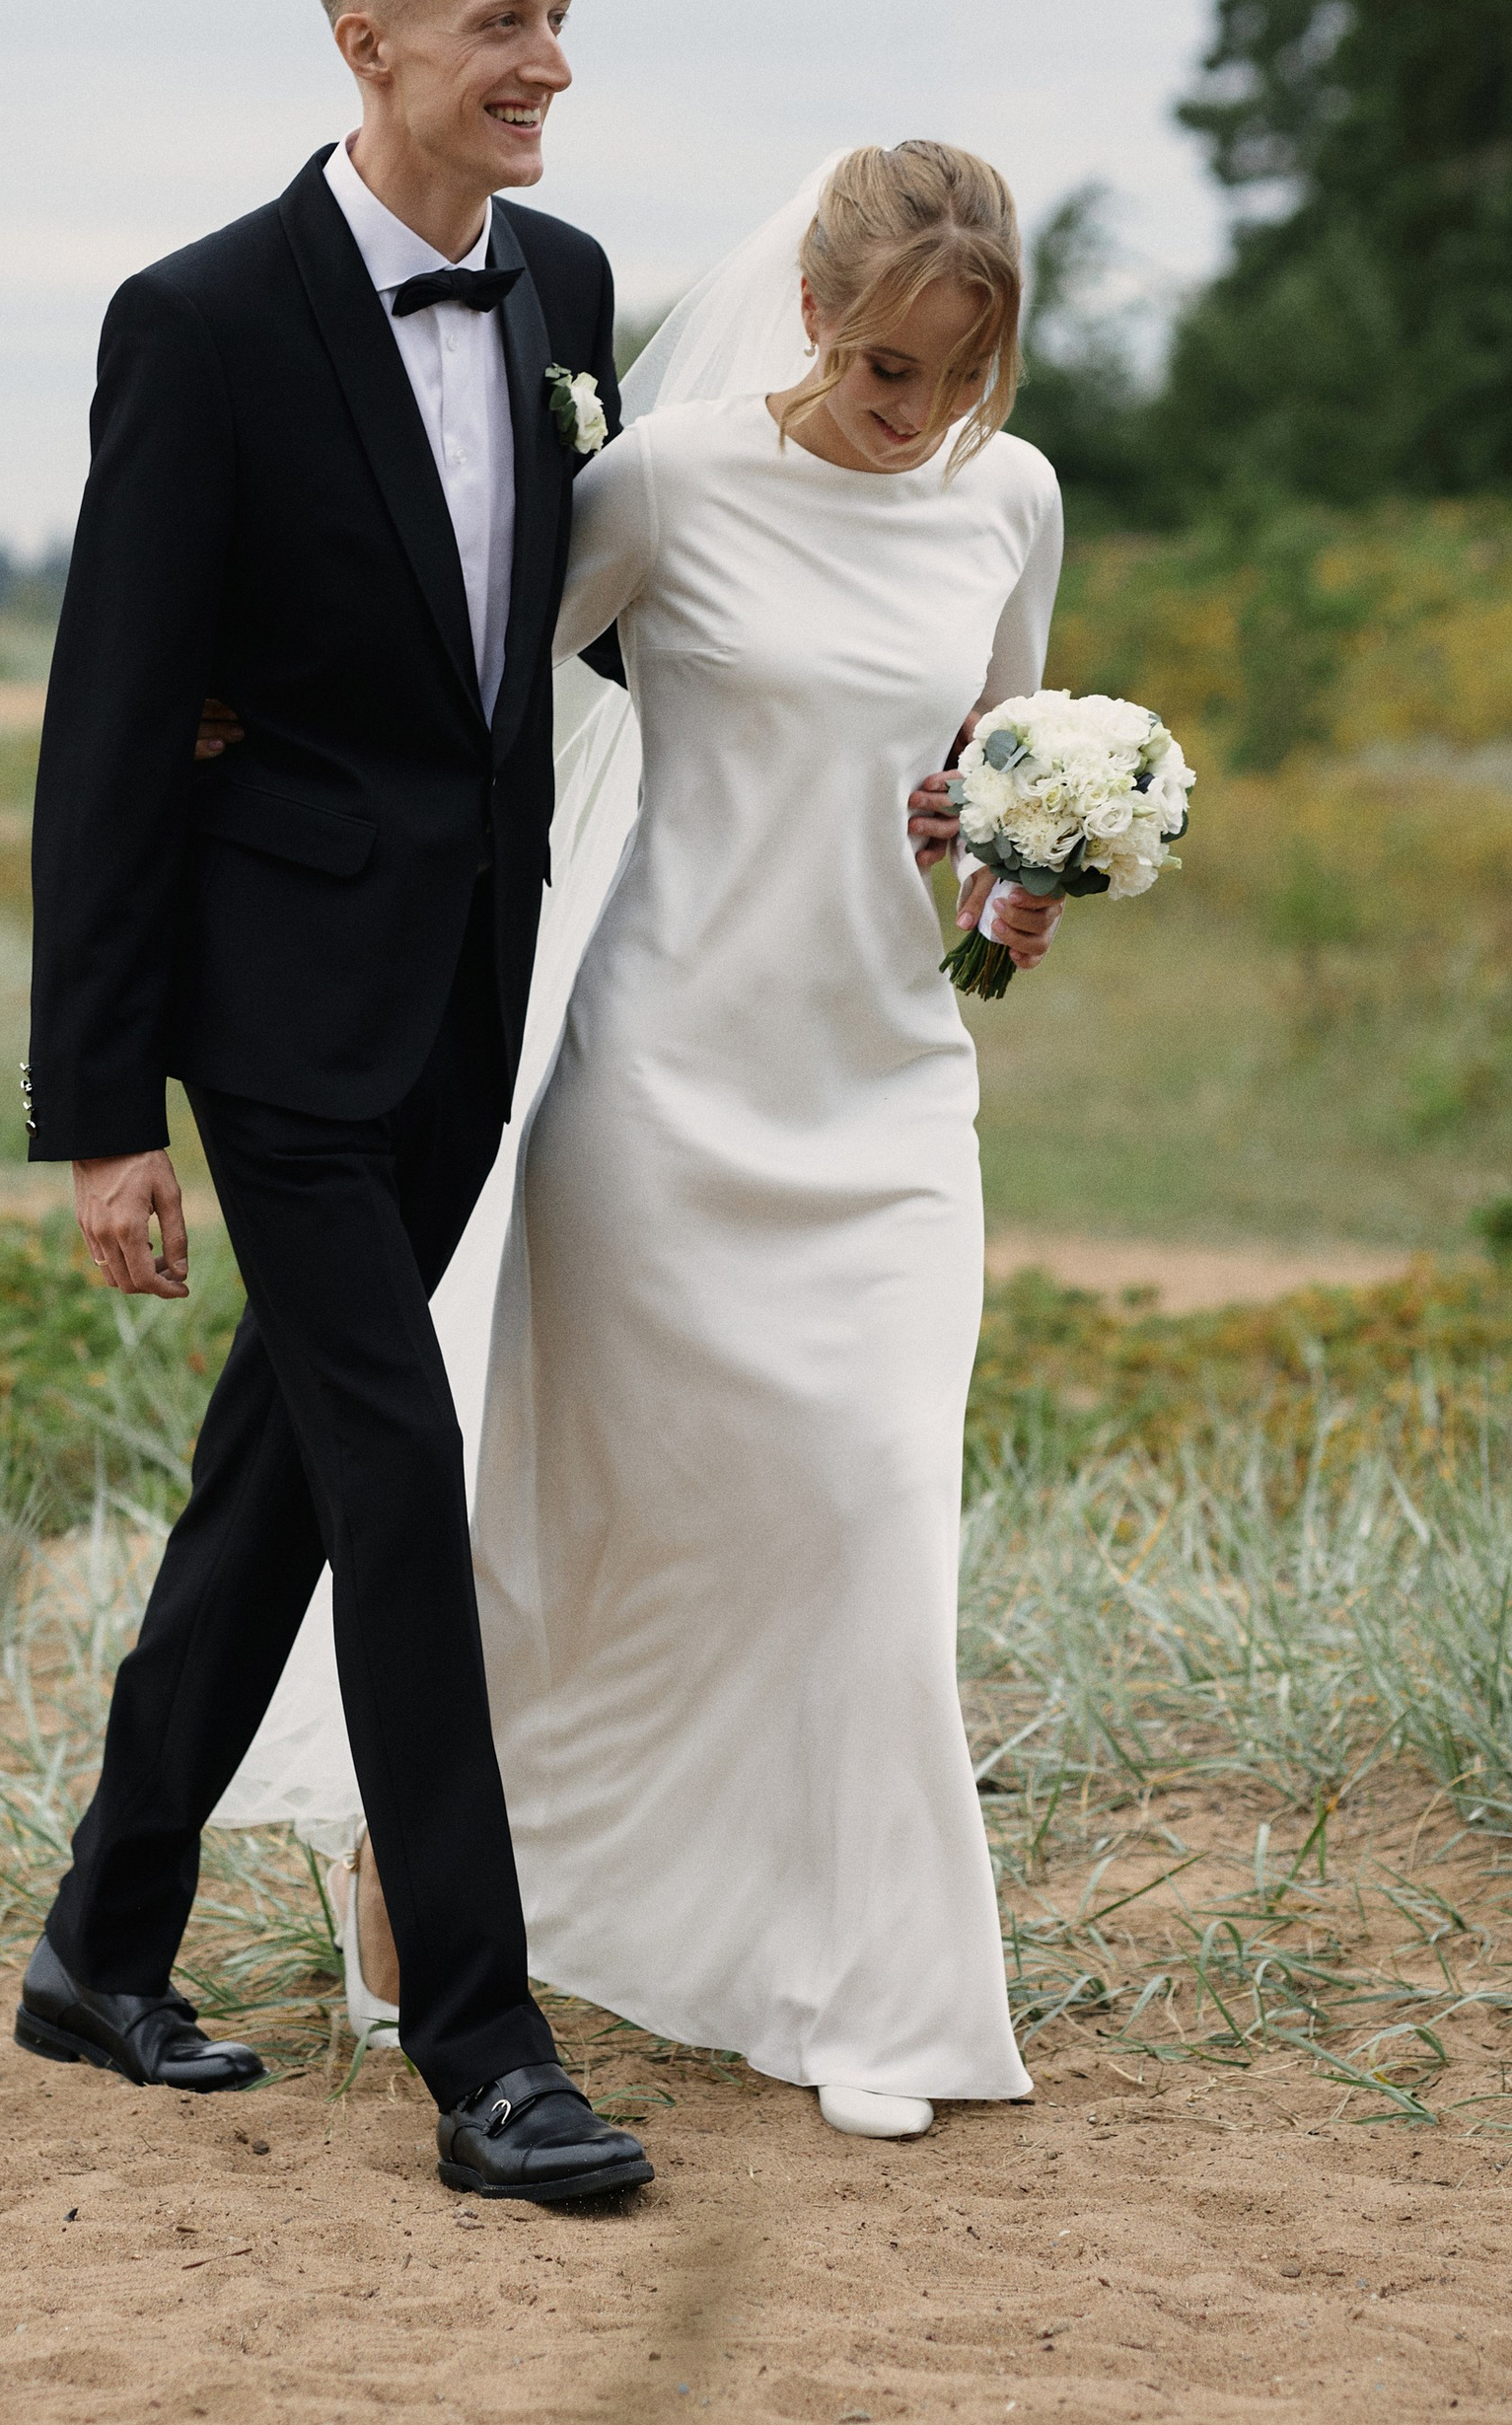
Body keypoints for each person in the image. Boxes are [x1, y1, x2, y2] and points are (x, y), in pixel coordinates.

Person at [15, 0, 655, 2207]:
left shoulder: (569, 287)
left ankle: (102, 1940)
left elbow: (569, 630)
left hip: (470, 992)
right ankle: (483, 2048)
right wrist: (103, 1113)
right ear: (364, 40)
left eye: (559, 14)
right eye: (500, 23)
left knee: (277, 1471)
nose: (548, 64)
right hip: (271, 1018)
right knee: (394, 1480)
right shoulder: (197, 322)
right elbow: (109, 728)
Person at [339, 143, 1064, 2139]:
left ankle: (876, 2002)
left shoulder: (1006, 501)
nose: (912, 412)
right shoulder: (660, 483)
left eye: (956, 371)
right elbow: (469, 702)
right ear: (811, 309)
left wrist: (1018, 879)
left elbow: (992, 784)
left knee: (875, 1514)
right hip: (663, 1090)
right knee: (603, 1541)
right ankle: (434, 1856)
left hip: (889, 1090)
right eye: (884, 365)